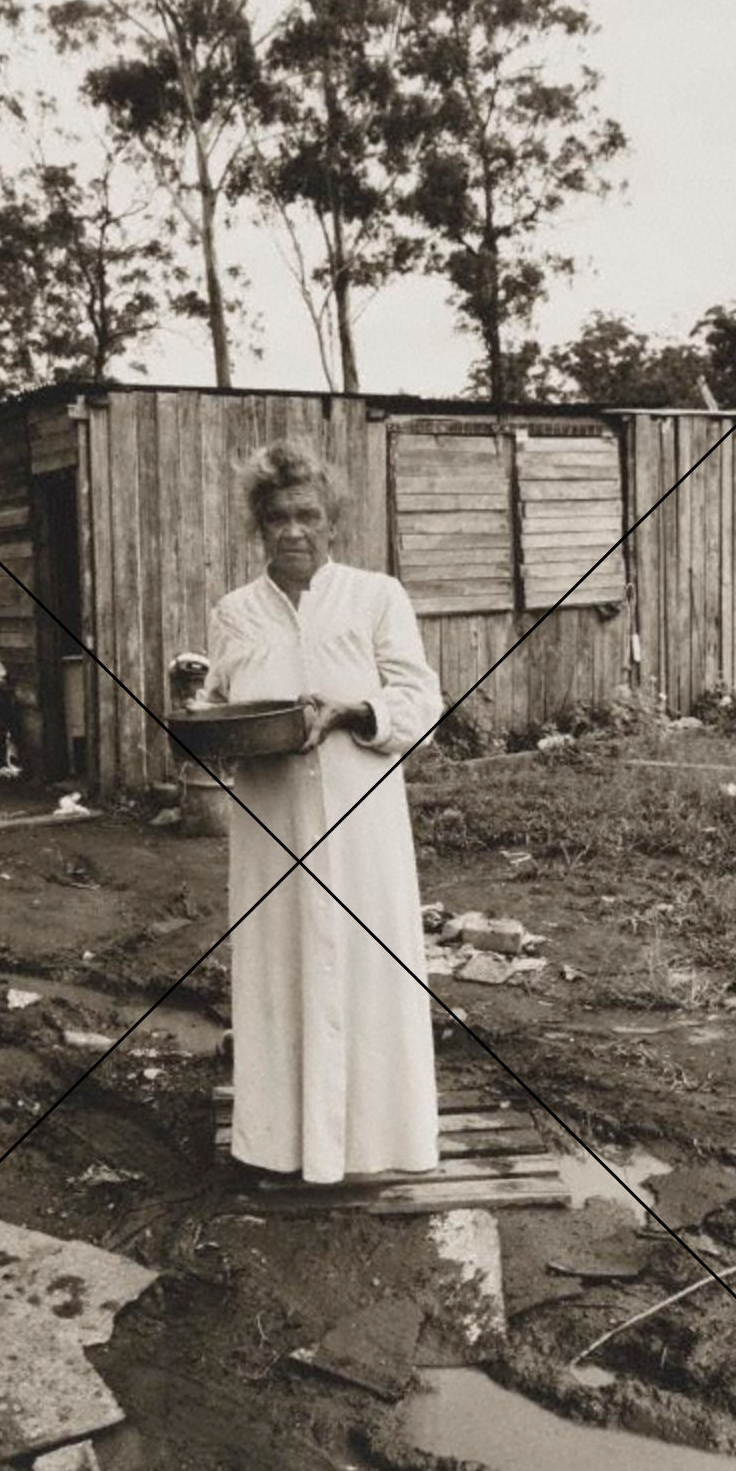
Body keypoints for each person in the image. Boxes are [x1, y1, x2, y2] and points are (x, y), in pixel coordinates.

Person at [204, 439, 443, 1183]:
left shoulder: (375, 597)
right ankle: (280, 1143)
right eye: (277, 517)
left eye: (308, 514)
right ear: (259, 526)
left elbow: (420, 702)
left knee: (372, 966)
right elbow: (217, 703)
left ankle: (380, 1145)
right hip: (271, 821)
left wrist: (352, 712)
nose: (293, 531)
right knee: (279, 965)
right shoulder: (235, 612)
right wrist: (205, 718)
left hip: (360, 814)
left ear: (332, 520)